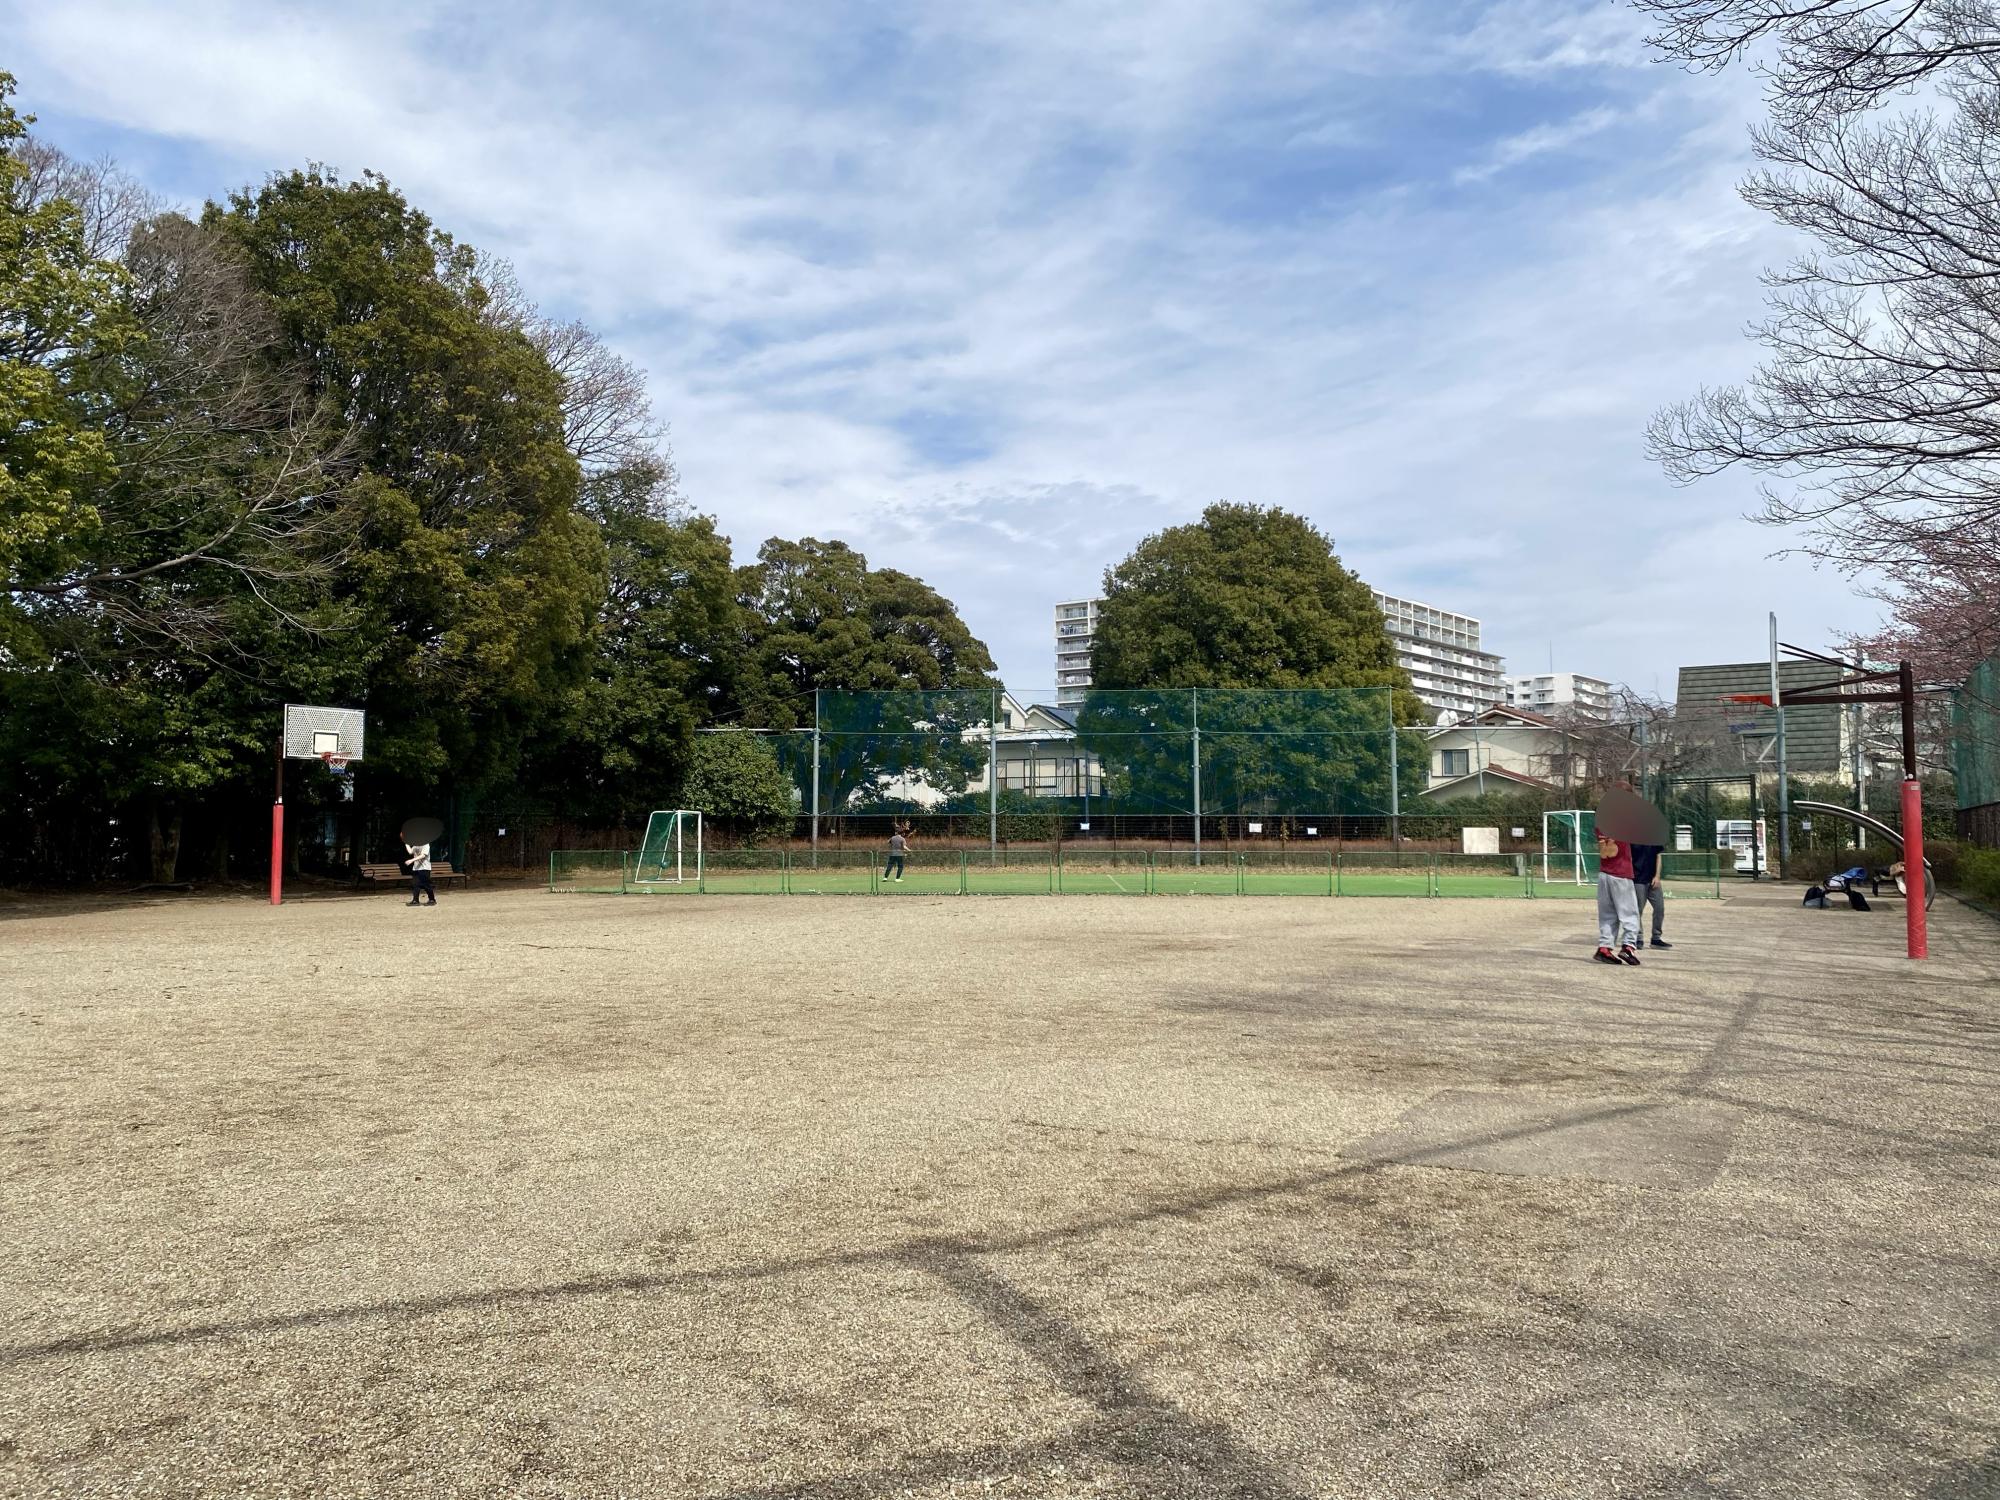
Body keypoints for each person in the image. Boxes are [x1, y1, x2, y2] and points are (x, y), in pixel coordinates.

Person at [1594, 829, 1640, 965]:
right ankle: (1628, 946)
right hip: (1621, 874)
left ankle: (1604, 947)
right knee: (1630, 913)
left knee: (1607, 915)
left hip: (1604, 875)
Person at [1630, 840, 1671, 949]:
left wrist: (1657, 876)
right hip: (1637, 880)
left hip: (1653, 880)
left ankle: (1656, 938)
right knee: (1638, 910)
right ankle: (1638, 938)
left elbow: (1658, 856)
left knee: (1659, 908)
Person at [404, 840, 436, 906]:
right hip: (416, 868)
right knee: (415, 884)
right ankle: (415, 901)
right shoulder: (416, 845)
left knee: (426, 885)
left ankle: (432, 900)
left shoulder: (426, 844)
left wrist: (411, 860)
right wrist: (406, 843)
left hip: (425, 868)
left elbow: (423, 855)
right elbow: (410, 852)